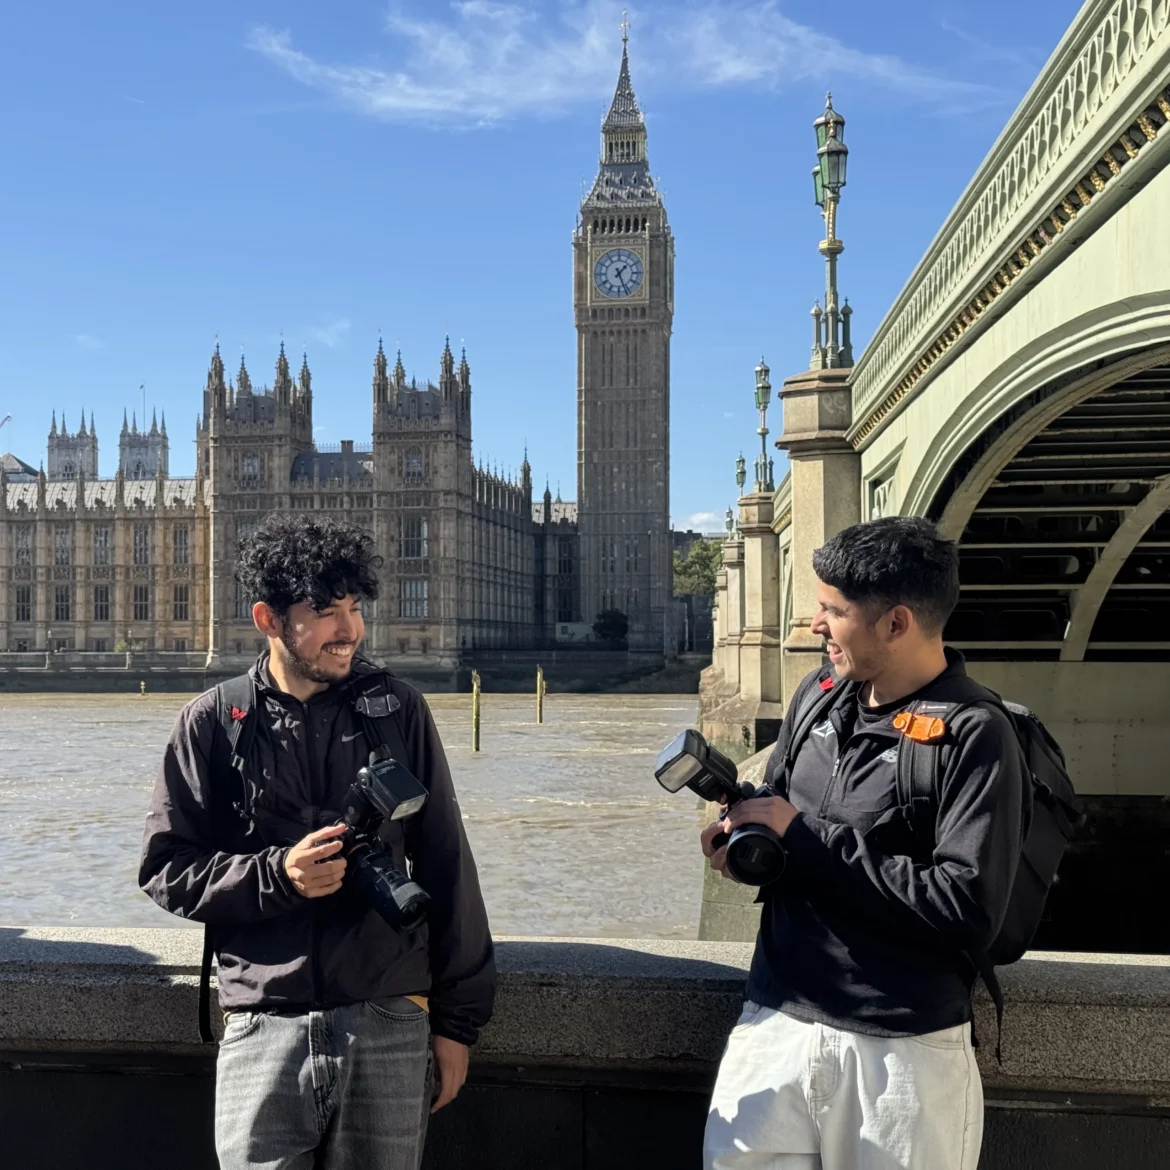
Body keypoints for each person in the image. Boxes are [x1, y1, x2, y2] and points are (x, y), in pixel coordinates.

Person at [140, 514, 495, 1170]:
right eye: (328, 612)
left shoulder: (397, 710)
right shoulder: (214, 722)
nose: (351, 630)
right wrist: (280, 876)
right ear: (269, 619)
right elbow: (166, 869)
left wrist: (455, 1023)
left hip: (388, 1020)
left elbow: (448, 864)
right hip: (262, 1025)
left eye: (356, 607)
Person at [702, 517, 1024, 1170]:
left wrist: (806, 837)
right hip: (777, 1023)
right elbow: (792, 845)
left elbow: (966, 908)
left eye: (832, 611)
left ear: (897, 623)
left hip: (900, 1055)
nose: (815, 626)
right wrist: (745, 843)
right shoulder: (817, 697)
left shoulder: (975, 736)